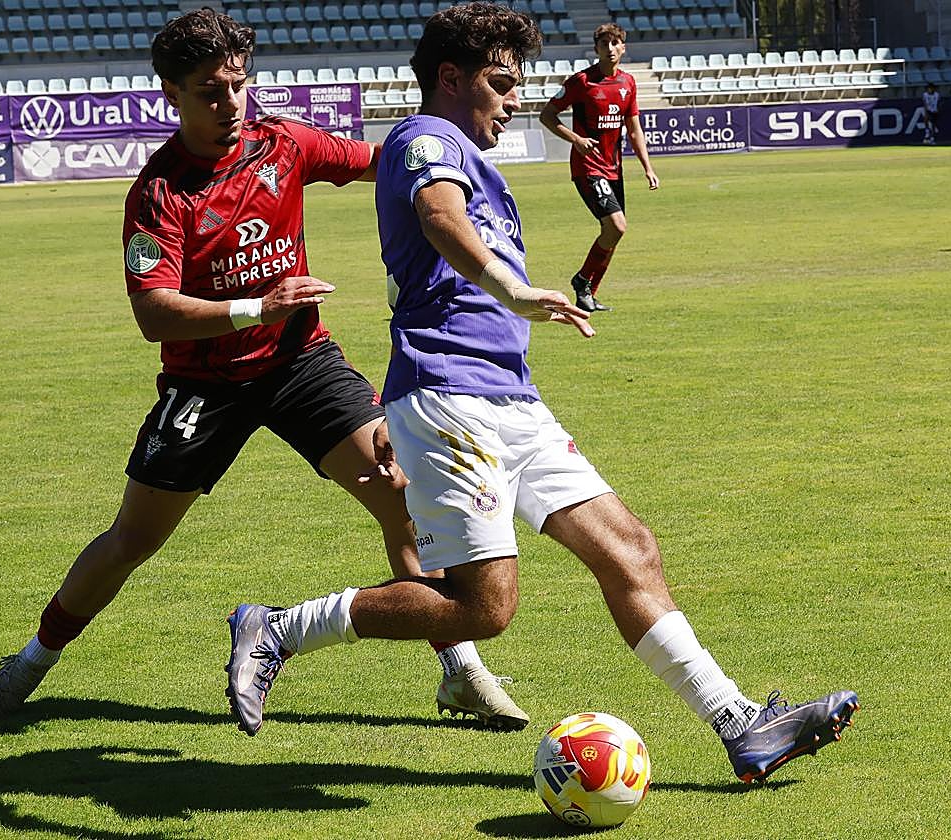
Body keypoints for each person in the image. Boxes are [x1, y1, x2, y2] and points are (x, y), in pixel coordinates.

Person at [225, 2, 859, 785]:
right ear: (451, 78)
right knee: (484, 608)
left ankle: (740, 727)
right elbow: (438, 216)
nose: (513, 98)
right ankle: (279, 628)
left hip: (509, 397)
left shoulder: (464, 150)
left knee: (631, 549)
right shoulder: (428, 139)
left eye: (517, 82)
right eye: (500, 82)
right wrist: (511, 288)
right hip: (452, 398)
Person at [0, 7, 528, 731]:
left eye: (238, 85)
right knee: (132, 541)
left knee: (401, 496)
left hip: (302, 362)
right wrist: (255, 306)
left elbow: (382, 162)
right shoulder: (160, 193)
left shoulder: (283, 144)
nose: (230, 103)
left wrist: (437, 162)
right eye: (209, 90)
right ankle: (30, 662)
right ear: (170, 93)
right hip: (205, 384)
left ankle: (462, 672)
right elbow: (155, 314)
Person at [538, 22, 658, 314]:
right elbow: (547, 115)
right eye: (604, 44)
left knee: (614, 233)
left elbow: (634, 129)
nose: (610, 48)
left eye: (615, 43)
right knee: (616, 226)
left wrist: (647, 167)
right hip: (588, 167)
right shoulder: (582, 82)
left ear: (623, 47)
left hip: (614, 169)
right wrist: (576, 139)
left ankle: (587, 291)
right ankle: (582, 282)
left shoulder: (628, 83)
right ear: (596, 49)